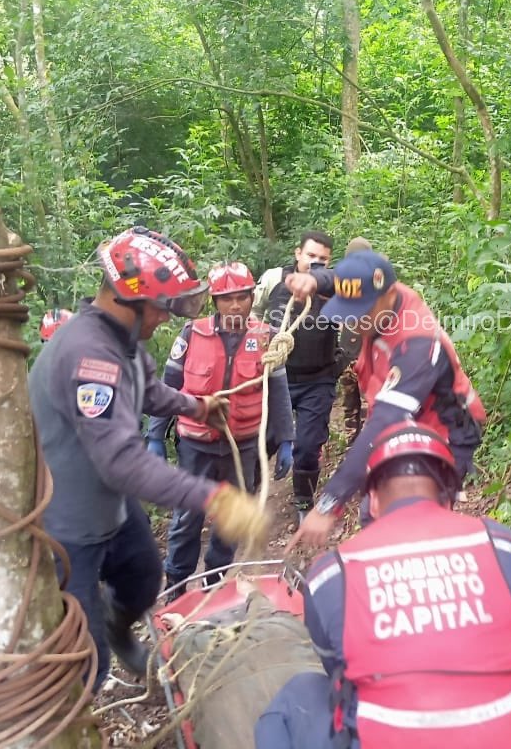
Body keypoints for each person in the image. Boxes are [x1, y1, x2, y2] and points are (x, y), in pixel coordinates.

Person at [28, 227, 268, 690]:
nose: (165, 318)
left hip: (111, 509)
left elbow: (149, 391)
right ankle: (79, 711)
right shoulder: (88, 357)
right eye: (161, 307)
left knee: (143, 577)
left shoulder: (124, 345)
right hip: (67, 525)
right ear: (127, 299)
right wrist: (214, 498)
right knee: (84, 658)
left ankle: (118, 628)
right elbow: (121, 460)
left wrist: (196, 405)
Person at [255, 424, 511, 749]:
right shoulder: (499, 543)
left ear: (371, 503)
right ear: (451, 497)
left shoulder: (330, 573)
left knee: (298, 695)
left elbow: (339, 672)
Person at [283, 250, 485, 548]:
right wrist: (312, 280)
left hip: (442, 433)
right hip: (404, 423)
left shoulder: (417, 343)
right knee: (374, 511)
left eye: (361, 312)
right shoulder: (380, 297)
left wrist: (329, 504)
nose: (353, 322)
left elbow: (382, 426)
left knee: (407, 521)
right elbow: (340, 281)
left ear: (389, 295)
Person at [146, 261, 295, 593]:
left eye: (242, 297)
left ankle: (215, 585)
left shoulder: (266, 337)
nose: (236, 305)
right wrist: (155, 433)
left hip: (240, 448)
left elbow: (279, 391)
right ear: (215, 301)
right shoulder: (191, 334)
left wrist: (286, 439)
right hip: (195, 445)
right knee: (188, 518)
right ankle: (177, 586)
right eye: (227, 298)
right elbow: (166, 388)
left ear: (251, 296)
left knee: (232, 520)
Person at [252, 231, 342, 520]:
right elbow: (250, 312)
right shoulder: (274, 281)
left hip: (318, 379)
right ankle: (248, 493)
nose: (316, 262)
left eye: (322, 258)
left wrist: (342, 361)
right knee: (262, 440)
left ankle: (304, 501)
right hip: (277, 378)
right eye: (311, 255)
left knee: (307, 446)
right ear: (297, 253)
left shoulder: (333, 287)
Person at [337, 237, 374, 441]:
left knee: (366, 407)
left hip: (367, 355)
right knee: (351, 407)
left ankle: (365, 449)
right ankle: (354, 448)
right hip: (348, 354)